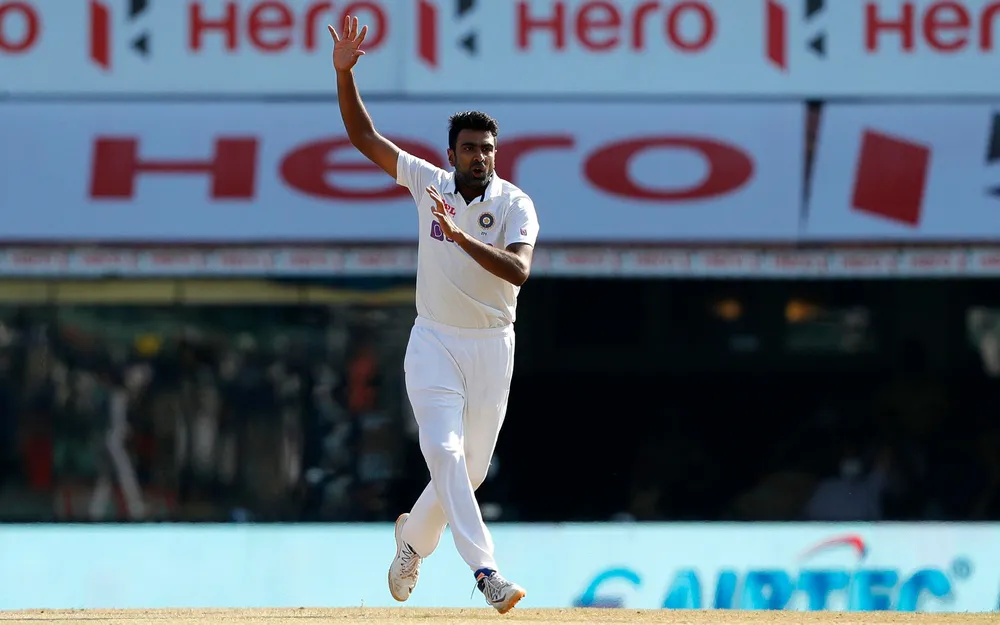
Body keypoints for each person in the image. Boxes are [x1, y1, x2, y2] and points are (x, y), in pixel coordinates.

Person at [327, 15, 538, 615]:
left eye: (488, 149)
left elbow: (518, 271)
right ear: (451, 154)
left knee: (468, 472)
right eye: (469, 148)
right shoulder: (428, 182)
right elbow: (364, 137)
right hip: (434, 341)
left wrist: (458, 236)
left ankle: (412, 542)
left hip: (494, 343)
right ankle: (487, 573)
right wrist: (345, 75)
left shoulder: (515, 203)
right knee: (443, 453)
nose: (480, 157)